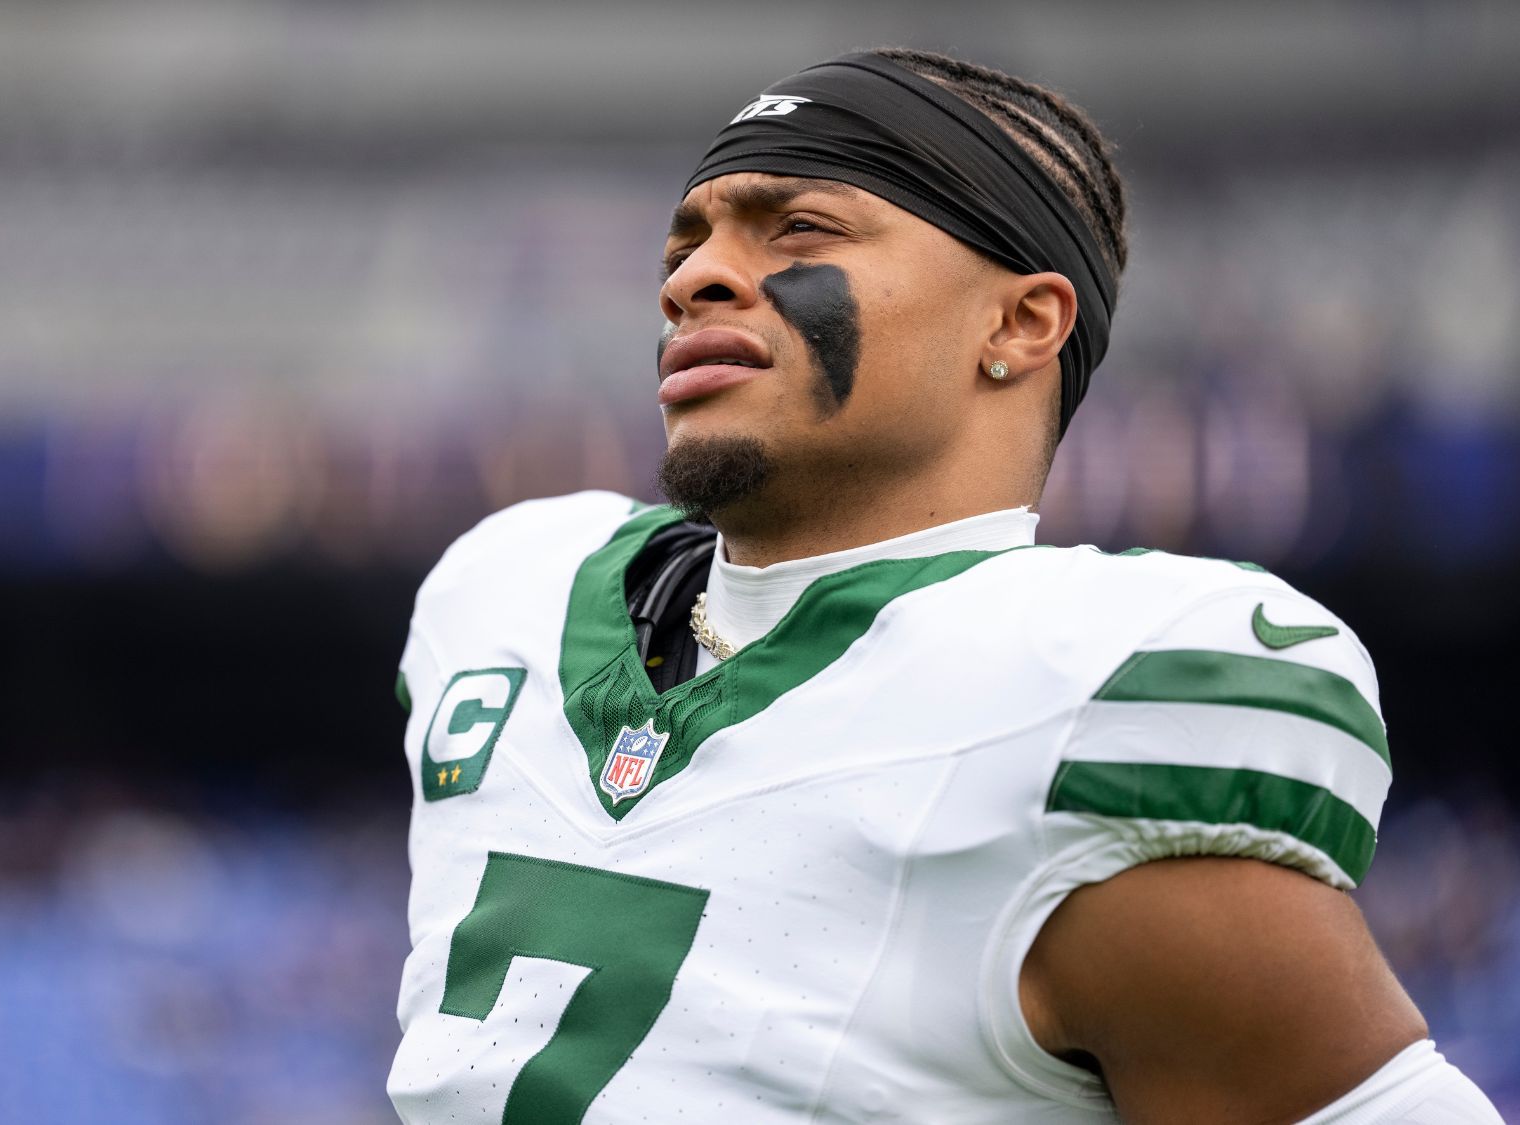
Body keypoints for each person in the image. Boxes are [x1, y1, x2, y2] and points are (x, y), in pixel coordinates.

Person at [385, 48, 1501, 1123]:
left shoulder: (1089, 692)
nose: (693, 278)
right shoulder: (504, 596)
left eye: (799, 229)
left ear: (1018, 323)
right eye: (688, 240)